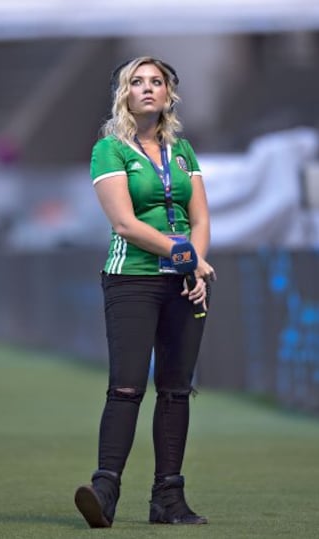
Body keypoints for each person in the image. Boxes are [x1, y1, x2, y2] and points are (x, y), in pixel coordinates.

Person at [74, 56, 216, 528]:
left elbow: (199, 218)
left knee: (176, 390)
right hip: (131, 278)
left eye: (157, 82)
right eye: (137, 82)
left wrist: (193, 269)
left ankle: (168, 500)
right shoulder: (110, 149)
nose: (148, 89)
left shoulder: (183, 151)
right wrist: (189, 258)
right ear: (124, 94)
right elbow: (124, 224)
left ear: (169, 94)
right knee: (128, 385)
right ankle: (104, 491)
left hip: (185, 284)